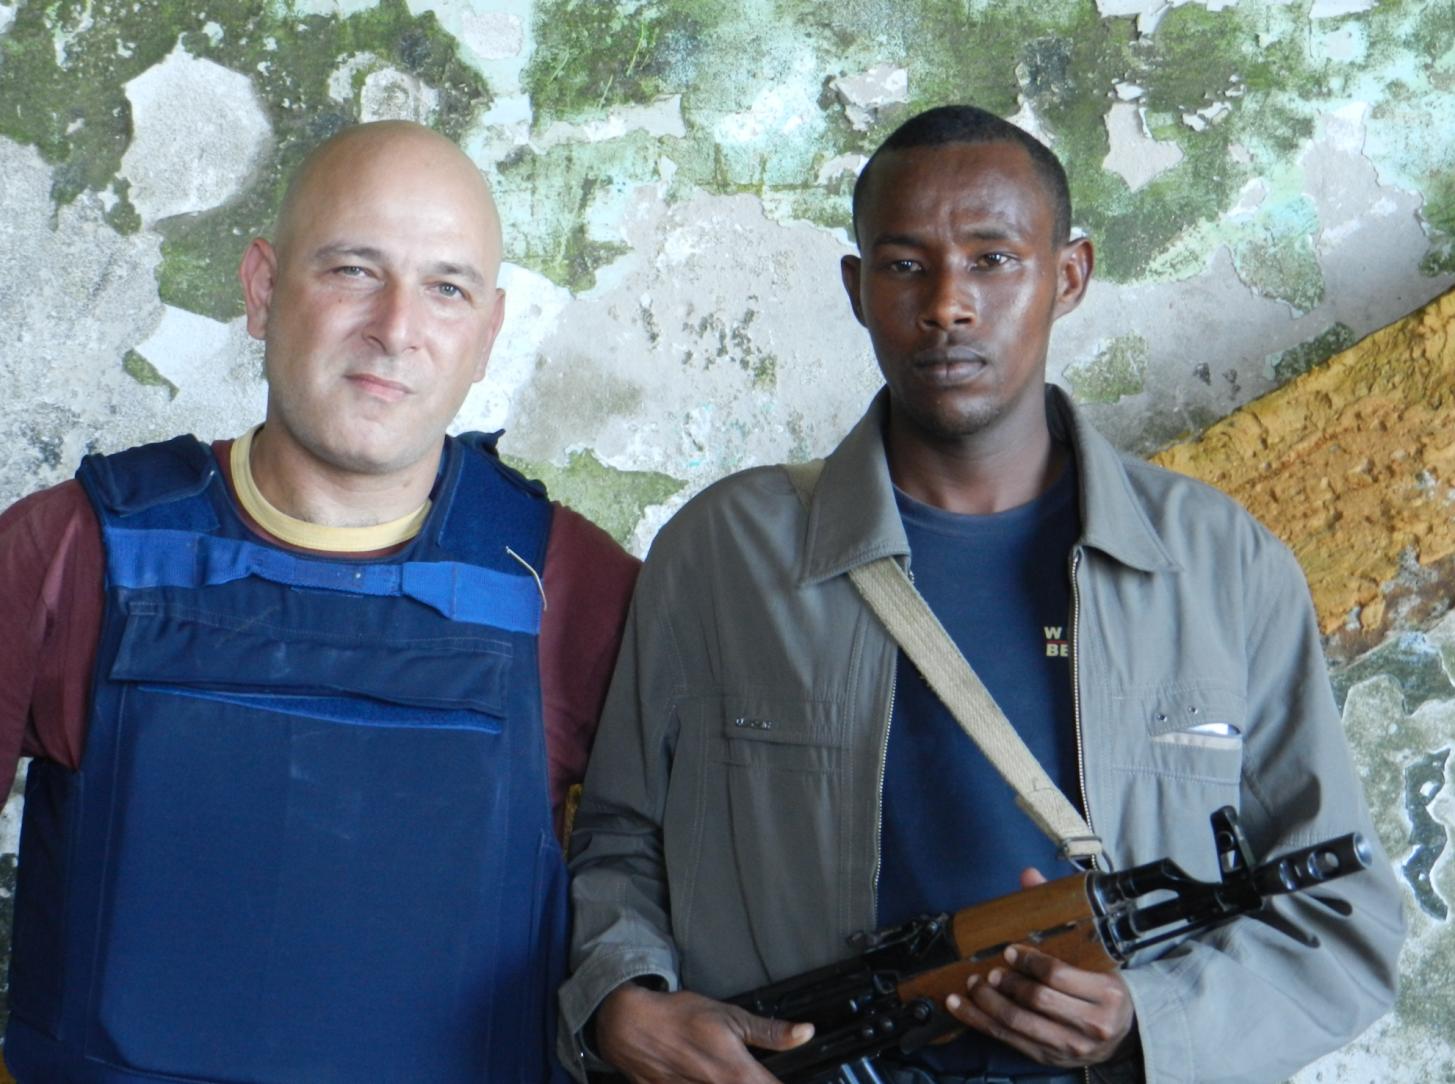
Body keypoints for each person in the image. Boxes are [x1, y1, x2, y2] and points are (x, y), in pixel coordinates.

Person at [559, 105, 1405, 1084]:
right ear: (857, 288)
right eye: (904, 265)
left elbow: (1340, 911)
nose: (947, 305)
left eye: (993, 259)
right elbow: (618, 836)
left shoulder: (1221, 564)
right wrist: (623, 1000)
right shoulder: (725, 552)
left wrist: (1148, 1022)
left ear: (1069, 276)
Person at [0, 120, 638, 1084]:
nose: (395, 327)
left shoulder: (570, 585)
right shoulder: (72, 548)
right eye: (351, 270)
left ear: (487, 333)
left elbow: (666, 900)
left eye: (447, 288)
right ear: (262, 288)